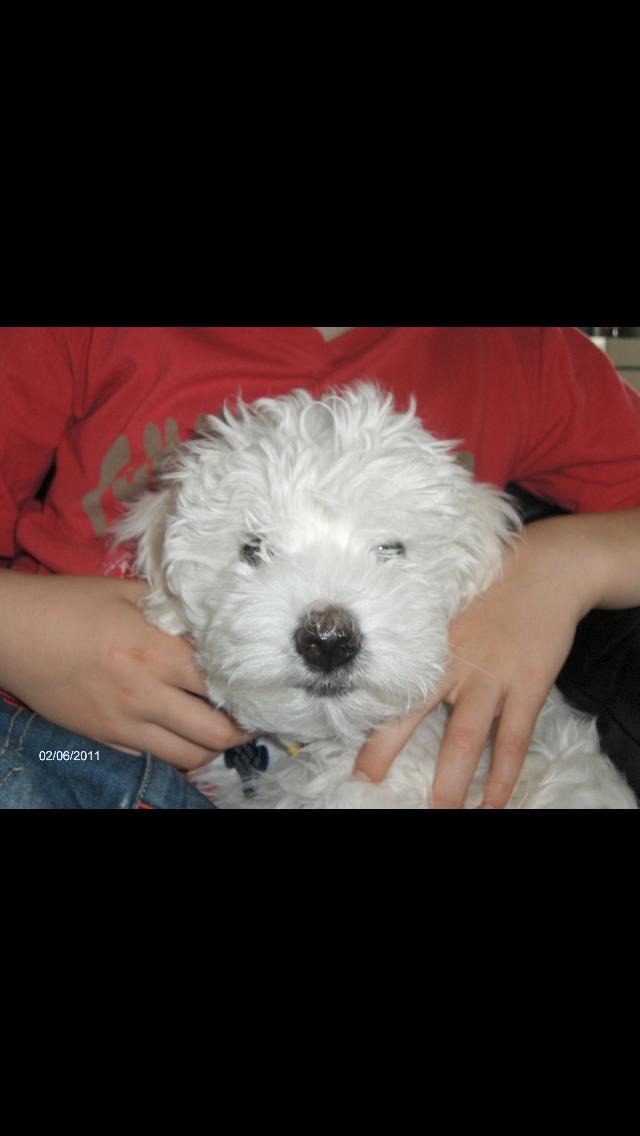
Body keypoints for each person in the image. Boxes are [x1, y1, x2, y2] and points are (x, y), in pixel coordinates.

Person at [1, 327, 639, 809]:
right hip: (52, 743)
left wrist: (568, 561)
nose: (327, 627)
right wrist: (18, 629)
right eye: (257, 550)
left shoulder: (519, 350)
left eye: (389, 550)